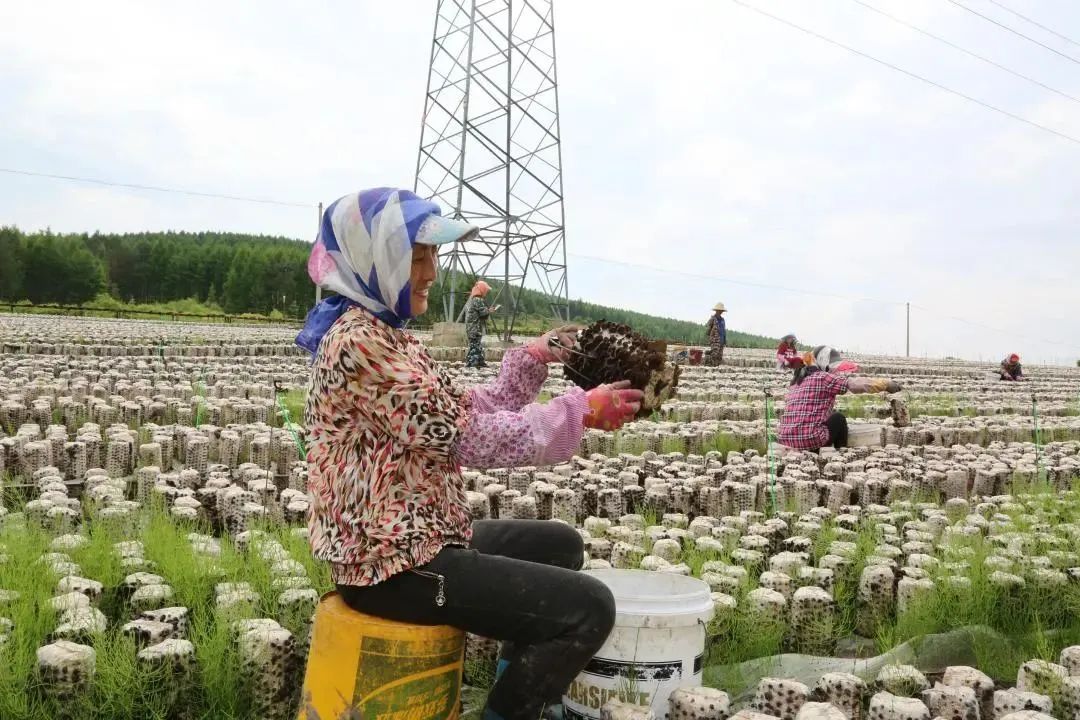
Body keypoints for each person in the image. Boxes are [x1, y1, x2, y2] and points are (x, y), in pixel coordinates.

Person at [296, 187, 644, 720]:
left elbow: (466, 404)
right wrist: (579, 410)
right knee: (589, 609)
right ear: (376, 261)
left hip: (420, 533)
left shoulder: (388, 335)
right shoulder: (358, 345)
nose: (432, 271)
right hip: (388, 564)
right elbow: (466, 436)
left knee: (560, 544)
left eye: (433, 255)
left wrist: (532, 357)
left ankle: (517, 691)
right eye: (417, 257)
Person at [778, 345, 901, 451]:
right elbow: (855, 384)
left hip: (785, 439)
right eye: (833, 368)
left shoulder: (795, 383)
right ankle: (839, 452)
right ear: (823, 363)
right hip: (809, 439)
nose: (834, 371)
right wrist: (885, 384)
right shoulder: (823, 377)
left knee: (825, 419)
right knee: (838, 418)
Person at [463, 280, 499, 368]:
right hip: (474, 328)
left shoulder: (475, 299)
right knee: (474, 346)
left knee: (476, 345)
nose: (486, 292)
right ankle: (472, 363)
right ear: (482, 290)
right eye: (486, 290)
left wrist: (487, 311)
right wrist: (489, 310)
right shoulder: (477, 300)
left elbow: (481, 315)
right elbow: (483, 313)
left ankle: (479, 361)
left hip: (474, 328)